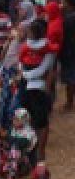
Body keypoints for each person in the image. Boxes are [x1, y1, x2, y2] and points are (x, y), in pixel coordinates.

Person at [19, 18, 55, 160]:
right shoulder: (26, 48)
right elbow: (21, 61)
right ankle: (32, 148)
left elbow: (44, 69)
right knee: (30, 119)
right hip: (27, 88)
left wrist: (25, 74)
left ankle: (41, 151)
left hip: (39, 88)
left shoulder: (48, 50)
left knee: (41, 121)